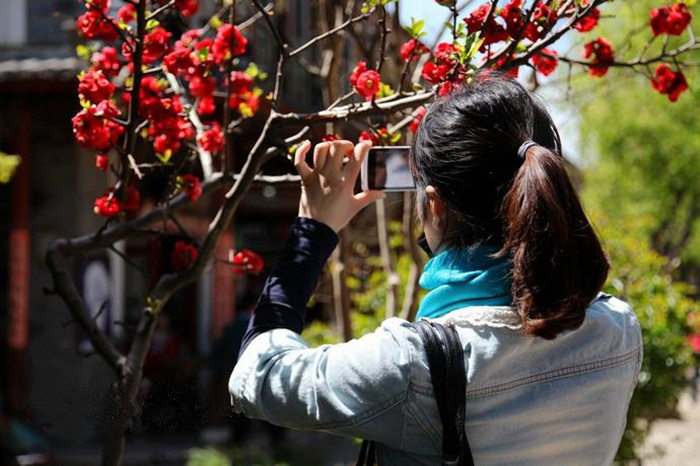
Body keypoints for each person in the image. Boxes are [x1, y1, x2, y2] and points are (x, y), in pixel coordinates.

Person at [228, 72, 642, 464]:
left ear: (437, 206)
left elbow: (255, 375)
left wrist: (312, 231)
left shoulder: (409, 365)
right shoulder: (619, 329)